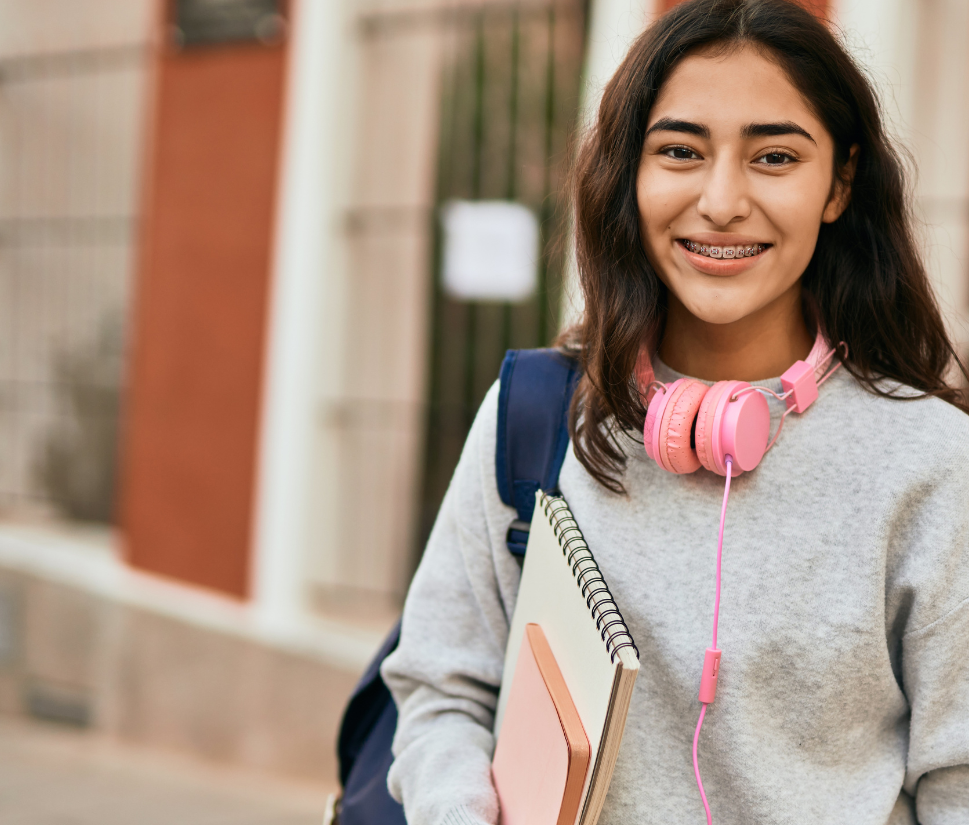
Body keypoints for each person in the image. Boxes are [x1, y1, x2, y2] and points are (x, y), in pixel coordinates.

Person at [380, 1, 969, 823]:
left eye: (774, 156)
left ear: (839, 183)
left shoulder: (933, 461)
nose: (722, 201)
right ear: (631, 173)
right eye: (681, 152)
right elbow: (441, 687)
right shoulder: (538, 415)